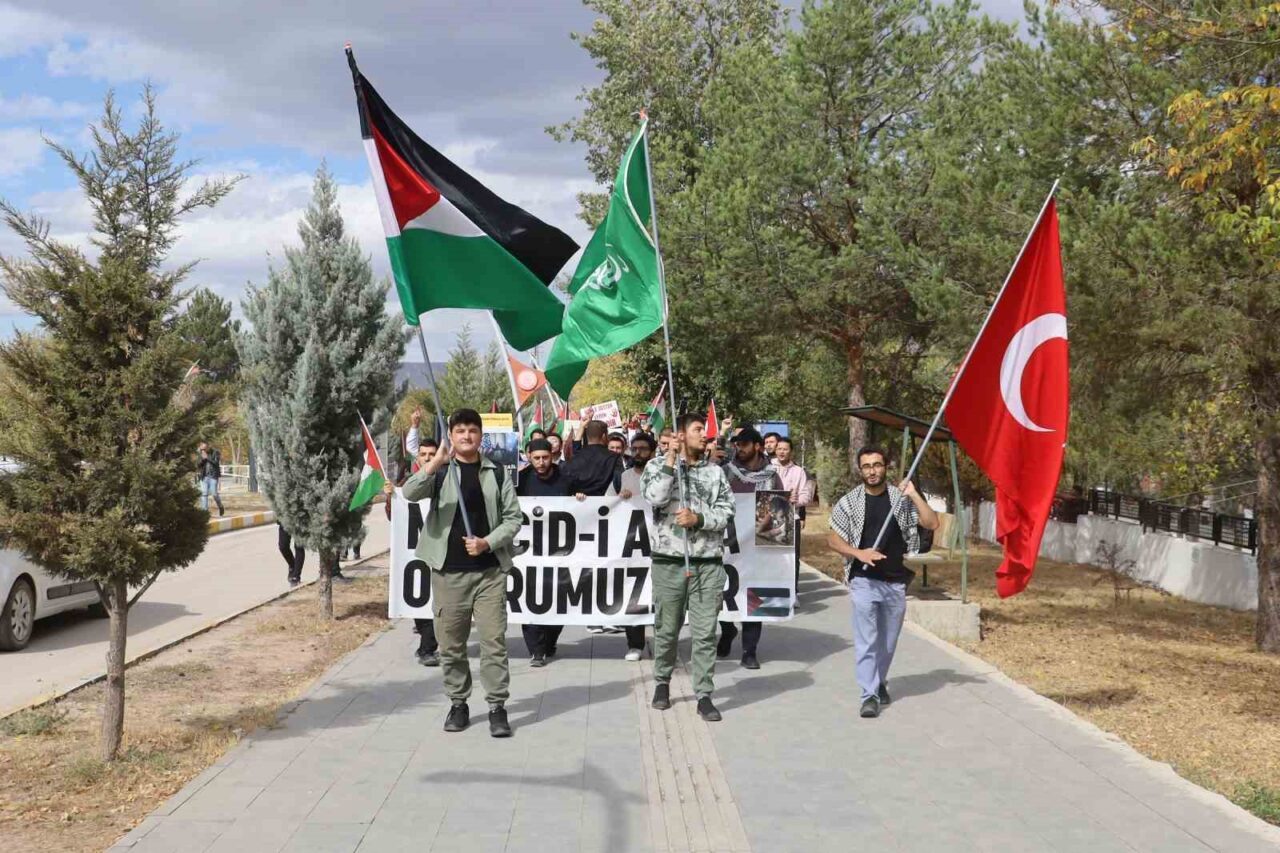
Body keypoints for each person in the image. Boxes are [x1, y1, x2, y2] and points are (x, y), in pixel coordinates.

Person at [400, 408, 522, 738]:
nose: (467, 436)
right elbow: (409, 493)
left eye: (472, 430)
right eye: (460, 431)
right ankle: (458, 702)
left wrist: (486, 542)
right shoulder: (441, 472)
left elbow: (513, 518)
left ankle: (497, 706)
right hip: (448, 574)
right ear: (451, 436)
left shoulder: (497, 472)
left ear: (481, 436)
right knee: (451, 644)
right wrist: (435, 462)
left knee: (493, 643)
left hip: (489, 574)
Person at [827, 446, 939, 719]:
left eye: (877, 465)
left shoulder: (900, 499)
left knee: (887, 643)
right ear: (860, 470)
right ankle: (869, 695)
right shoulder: (849, 502)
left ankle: (878, 681)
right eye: (866, 466)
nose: (872, 471)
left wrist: (913, 494)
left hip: (895, 582)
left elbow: (932, 523)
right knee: (867, 640)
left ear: (885, 467)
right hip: (863, 580)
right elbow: (833, 538)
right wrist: (858, 553)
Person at [641, 413, 734, 722]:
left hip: (707, 563)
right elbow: (655, 498)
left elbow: (727, 512)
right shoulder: (656, 467)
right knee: (667, 629)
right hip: (669, 562)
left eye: (704, 430)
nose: (704, 435)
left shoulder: (715, 472)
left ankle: (704, 694)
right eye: (697, 430)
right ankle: (662, 682)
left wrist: (700, 519)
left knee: (705, 632)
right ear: (681, 435)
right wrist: (670, 459)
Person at [717, 427, 784, 670]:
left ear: (758, 446)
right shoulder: (726, 472)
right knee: (724, 595)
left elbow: (780, 511)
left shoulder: (772, 476)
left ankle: (749, 651)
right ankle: (727, 631)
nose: (739, 448)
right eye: (737, 444)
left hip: (759, 547)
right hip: (728, 546)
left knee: (755, 599)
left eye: (744, 443)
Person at [516, 438, 568, 667]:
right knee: (530, 599)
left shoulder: (566, 478)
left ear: (552, 456)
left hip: (559, 551)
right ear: (529, 457)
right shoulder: (521, 480)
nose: (541, 462)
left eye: (545, 457)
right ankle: (536, 651)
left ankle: (549, 642)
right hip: (529, 551)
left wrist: (580, 498)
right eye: (536, 458)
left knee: (558, 599)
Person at [616, 432, 657, 661]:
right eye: (635, 449)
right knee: (633, 593)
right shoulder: (623, 476)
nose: (638, 452)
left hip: (659, 544)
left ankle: (663, 643)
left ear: (652, 452)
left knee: (660, 596)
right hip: (632, 545)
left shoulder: (663, 475)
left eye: (643, 448)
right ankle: (635, 644)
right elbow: (607, 504)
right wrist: (620, 497)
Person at [400, 438, 440, 666]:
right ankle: (425, 645)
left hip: (441, 552)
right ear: (418, 458)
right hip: (415, 554)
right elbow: (395, 516)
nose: (427, 458)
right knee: (420, 600)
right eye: (423, 454)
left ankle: (427, 649)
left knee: (438, 602)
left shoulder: (446, 479)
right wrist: (390, 497)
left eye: (432, 454)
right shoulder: (410, 483)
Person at [773, 437, 809, 589]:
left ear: (791, 451)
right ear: (776, 450)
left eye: (785, 449)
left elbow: (806, 495)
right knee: (770, 555)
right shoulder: (768, 468)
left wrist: (795, 501)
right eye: (779, 449)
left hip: (791, 518)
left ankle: (793, 591)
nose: (782, 452)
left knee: (792, 557)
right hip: (769, 518)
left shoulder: (799, 471)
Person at [197, 442, 225, 517]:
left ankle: (220, 506)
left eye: (205, 448)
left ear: (208, 446)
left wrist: (207, 458)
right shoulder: (200, 453)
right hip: (204, 477)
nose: (203, 450)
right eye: (202, 449)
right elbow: (198, 465)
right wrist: (202, 460)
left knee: (214, 494)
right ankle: (204, 513)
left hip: (213, 476)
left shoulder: (215, 452)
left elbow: (216, 463)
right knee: (204, 494)